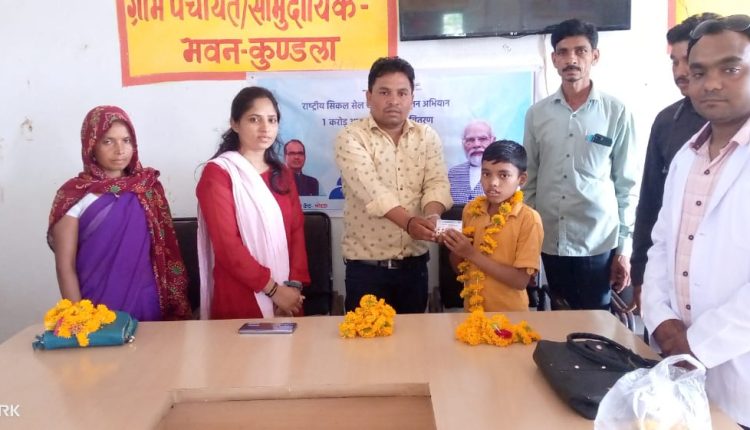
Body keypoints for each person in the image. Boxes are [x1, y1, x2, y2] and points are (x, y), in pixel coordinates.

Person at [642, 15, 750, 429]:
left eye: (731, 69)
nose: (711, 84)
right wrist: (661, 320)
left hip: (739, 376)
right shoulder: (686, 156)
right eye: (700, 72)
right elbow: (662, 244)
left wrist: (697, 344)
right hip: (681, 373)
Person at [523, 18, 638, 310]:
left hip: (597, 241)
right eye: (563, 52)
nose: (571, 59)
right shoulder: (537, 114)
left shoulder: (616, 111)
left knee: (596, 322)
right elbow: (529, 180)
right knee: (557, 316)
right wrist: (527, 243)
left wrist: (623, 249)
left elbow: (626, 184)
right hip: (550, 238)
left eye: (580, 51)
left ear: (594, 56)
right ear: (554, 59)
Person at [47, 105, 191, 321]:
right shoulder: (74, 195)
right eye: (108, 141)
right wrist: (80, 319)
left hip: (149, 302)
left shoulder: (146, 188)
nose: (120, 150)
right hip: (97, 307)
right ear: (91, 145)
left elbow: (164, 250)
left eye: (126, 140)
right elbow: (64, 266)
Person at [334, 56, 452, 313]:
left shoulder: (426, 136)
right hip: (366, 271)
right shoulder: (351, 137)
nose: (394, 101)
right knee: (365, 339)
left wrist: (433, 216)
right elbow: (371, 190)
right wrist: (409, 223)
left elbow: (437, 182)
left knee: (413, 338)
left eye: (402, 93)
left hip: (415, 268)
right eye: (384, 92)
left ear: (412, 98)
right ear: (368, 97)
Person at [628, 13, 718, 312]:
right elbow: (650, 202)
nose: (681, 72)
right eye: (674, 61)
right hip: (667, 278)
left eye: (688, 61)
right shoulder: (667, 122)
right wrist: (640, 272)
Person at [196, 86, 309, 319]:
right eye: (254, 119)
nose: (265, 128)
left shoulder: (282, 174)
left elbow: (296, 231)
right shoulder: (218, 174)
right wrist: (274, 291)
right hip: (241, 295)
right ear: (235, 124)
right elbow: (227, 246)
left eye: (272, 120)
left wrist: (294, 287)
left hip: (289, 297)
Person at [441, 140, 543, 312]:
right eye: (486, 174)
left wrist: (471, 253)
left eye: (503, 175)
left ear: (521, 179)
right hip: (473, 314)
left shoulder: (528, 219)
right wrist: (455, 246)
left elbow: (520, 281)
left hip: (510, 317)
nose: (493, 182)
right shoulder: (471, 210)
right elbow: (460, 269)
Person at [448, 120, 495, 204]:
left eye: (483, 139)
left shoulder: (503, 173)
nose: (476, 144)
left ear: (493, 141)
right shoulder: (453, 173)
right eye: (470, 140)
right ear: (463, 144)